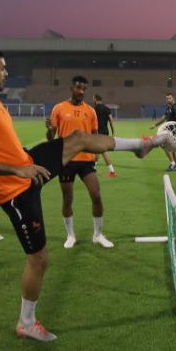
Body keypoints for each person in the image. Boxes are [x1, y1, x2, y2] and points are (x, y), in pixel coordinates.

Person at [0, 48, 171, 342]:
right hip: (17, 191)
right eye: (3, 69)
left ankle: (139, 145)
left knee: (79, 139)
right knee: (39, 260)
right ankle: (26, 323)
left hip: (29, 165)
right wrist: (17, 171)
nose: (7, 73)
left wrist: (25, 163)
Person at [47, 77, 113, 250]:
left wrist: (97, 152)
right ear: (71, 87)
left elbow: (94, 135)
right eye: (78, 87)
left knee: (96, 195)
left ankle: (98, 235)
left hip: (86, 161)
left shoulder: (90, 111)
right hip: (66, 160)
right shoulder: (59, 108)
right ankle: (70, 235)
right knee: (68, 199)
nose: (82, 91)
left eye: (84, 88)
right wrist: (48, 129)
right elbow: (51, 137)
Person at [151, 92, 176, 172]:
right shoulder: (169, 107)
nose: (168, 99)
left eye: (169, 98)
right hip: (169, 131)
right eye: (167, 98)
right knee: (173, 149)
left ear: (173, 98)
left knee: (163, 144)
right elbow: (163, 118)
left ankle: (172, 163)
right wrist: (155, 125)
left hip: (173, 132)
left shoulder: (175, 107)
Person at [92, 93, 116, 178]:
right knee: (98, 151)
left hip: (98, 133)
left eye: (93, 99)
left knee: (102, 151)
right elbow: (111, 121)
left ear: (95, 99)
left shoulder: (93, 109)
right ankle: (92, 169)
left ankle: (112, 171)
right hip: (105, 133)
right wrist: (113, 133)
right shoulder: (107, 109)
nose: (93, 100)